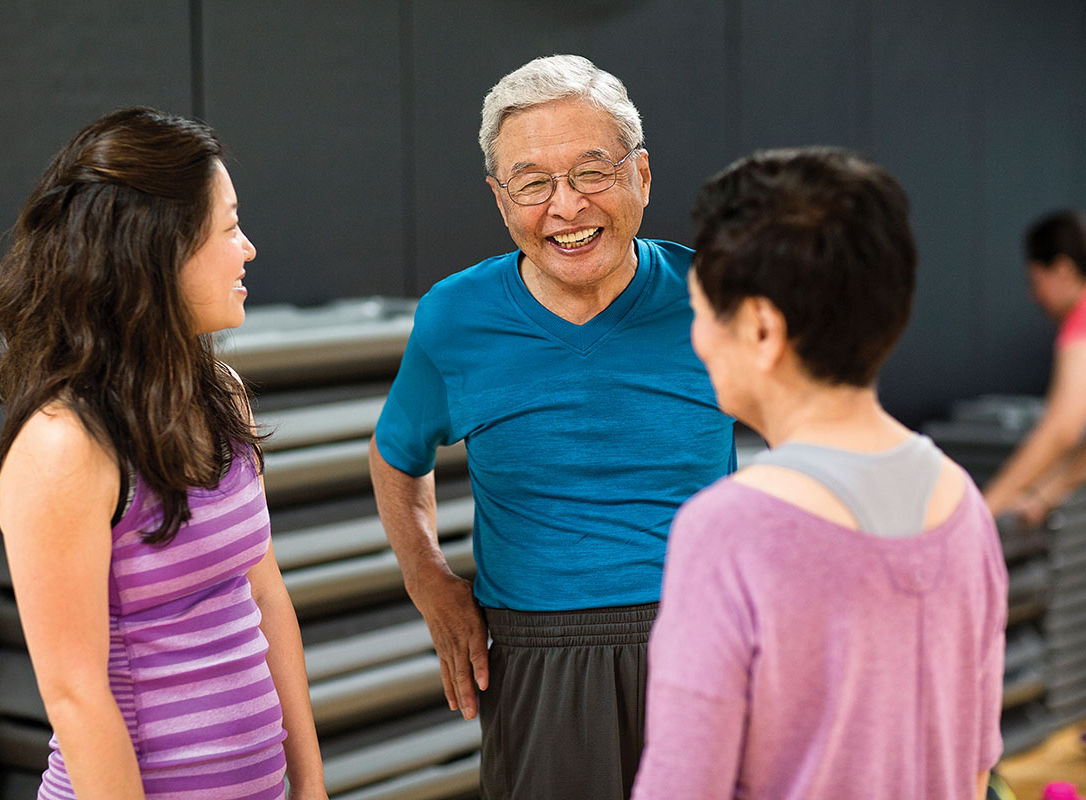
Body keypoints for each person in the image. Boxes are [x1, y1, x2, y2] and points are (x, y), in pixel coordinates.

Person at [368, 55, 735, 799]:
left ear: (642, 176)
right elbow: (396, 457)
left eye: (592, 173)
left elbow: (811, 444)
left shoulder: (719, 298)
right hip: (538, 658)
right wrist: (430, 581)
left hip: (711, 644)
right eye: (534, 183)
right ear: (501, 201)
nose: (565, 208)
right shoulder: (455, 316)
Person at [631, 147, 1008, 799]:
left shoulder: (727, 531)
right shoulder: (962, 504)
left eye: (700, 312)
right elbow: (975, 774)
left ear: (761, 329)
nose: (696, 338)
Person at [0, 107, 326, 800]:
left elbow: (265, 597)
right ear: (158, 250)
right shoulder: (63, 445)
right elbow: (76, 698)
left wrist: (311, 784)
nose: (249, 248)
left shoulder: (220, 393)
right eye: (229, 227)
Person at [985, 210, 1086, 526]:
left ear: (1063, 270)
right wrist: (1044, 494)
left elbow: (1061, 430)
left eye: (1036, 281)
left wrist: (984, 510)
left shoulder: (1080, 324)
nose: (1033, 296)